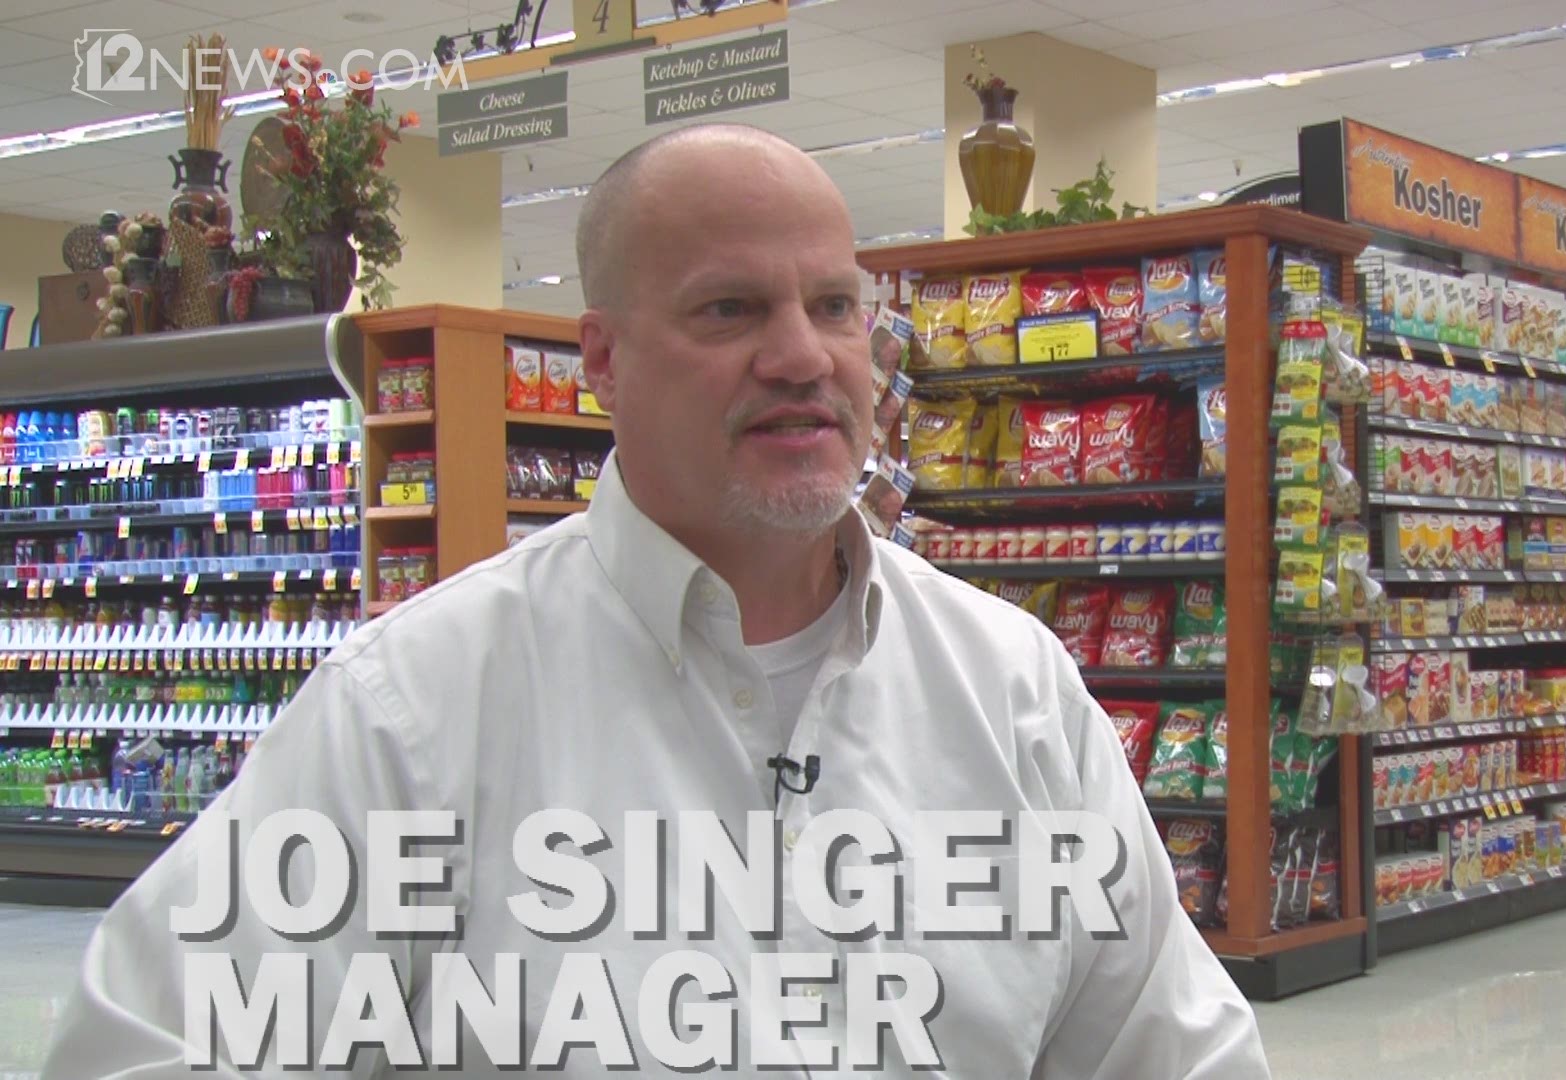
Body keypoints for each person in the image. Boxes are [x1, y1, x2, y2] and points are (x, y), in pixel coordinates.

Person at [41, 124, 1267, 1077]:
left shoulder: (1014, 689)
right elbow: (154, 1045)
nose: (802, 356)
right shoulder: (413, 713)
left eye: (834, 305)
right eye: (731, 309)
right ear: (607, 363)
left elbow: (1168, 1046)